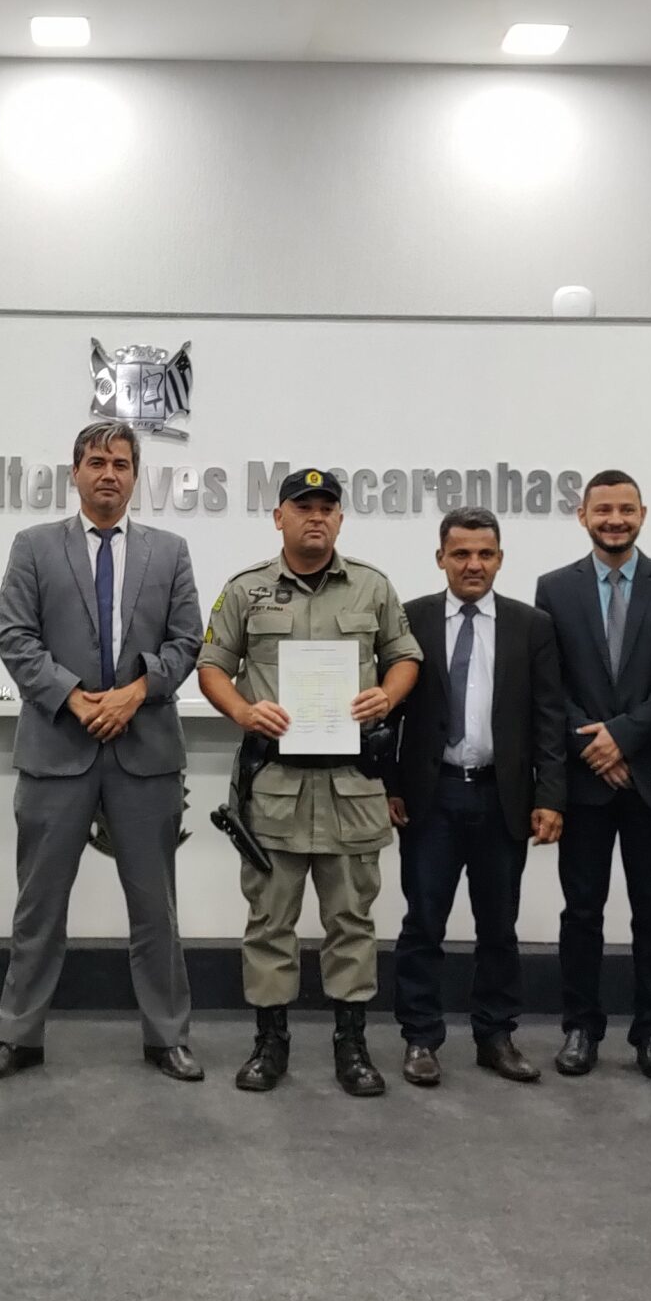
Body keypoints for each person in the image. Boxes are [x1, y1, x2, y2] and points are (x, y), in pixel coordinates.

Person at [0, 423, 205, 1083]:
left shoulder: (170, 552)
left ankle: (167, 1037)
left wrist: (134, 694)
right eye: (97, 462)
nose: (109, 473)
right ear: (74, 473)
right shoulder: (34, 546)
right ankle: (18, 1036)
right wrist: (75, 700)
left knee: (156, 911)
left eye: (121, 464)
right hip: (57, 749)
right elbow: (15, 637)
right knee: (38, 908)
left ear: (135, 476)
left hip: (145, 751)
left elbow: (188, 642)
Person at [197, 467, 421, 1096]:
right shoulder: (247, 590)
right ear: (279, 518)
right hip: (276, 787)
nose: (315, 517)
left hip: (352, 786)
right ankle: (270, 1044)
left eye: (327, 507)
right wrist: (244, 712)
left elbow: (406, 656)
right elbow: (211, 665)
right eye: (303, 507)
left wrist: (387, 695)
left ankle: (352, 1046)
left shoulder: (373, 586)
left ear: (340, 519)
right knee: (270, 922)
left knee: (352, 921)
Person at [384, 508, 564, 1087]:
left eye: (485, 554)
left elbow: (549, 718)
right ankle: (420, 1037)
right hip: (430, 797)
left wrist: (551, 795)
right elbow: (388, 712)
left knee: (499, 926)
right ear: (440, 558)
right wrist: (390, 785)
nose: (473, 564)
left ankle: (496, 1036)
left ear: (500, 559)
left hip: (501, 796)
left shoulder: (531, 626)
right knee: (423, 923)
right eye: (460, 553)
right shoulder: (409, 619)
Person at [535, 469, 651, 1083]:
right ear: (583, 516)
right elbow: (550, 682)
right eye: (603, 510)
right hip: (585, 778)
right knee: (581, 911)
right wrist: (594, 743)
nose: (615, 520)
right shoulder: (555, 588)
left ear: (643, 514)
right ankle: (581, 1027)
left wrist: (623, 736)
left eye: (626, 509)